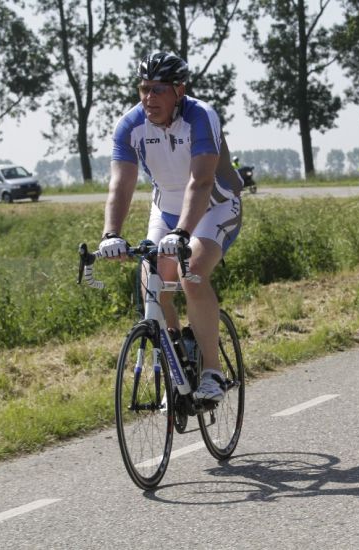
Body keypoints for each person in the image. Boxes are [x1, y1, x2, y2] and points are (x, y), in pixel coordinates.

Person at [98, 51, 243, 402]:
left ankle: (212, 373)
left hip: (214, 206)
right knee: (152, 282)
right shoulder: (130, 125)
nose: (149, 98)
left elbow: (201, 181)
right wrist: (111, 233)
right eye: (144, 88)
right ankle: (179, 363)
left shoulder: (201, 116)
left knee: (191, 272)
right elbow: (121, 184)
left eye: (158, 89)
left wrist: (182, 233)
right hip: (165, 210)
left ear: (179, 90)